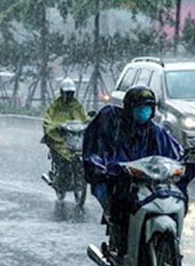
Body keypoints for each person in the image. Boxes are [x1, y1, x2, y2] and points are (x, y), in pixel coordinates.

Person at [83, 86, 184, 256]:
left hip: (151, 181)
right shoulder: (114, 126)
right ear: (129, 109)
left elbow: (174, 153)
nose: (143, 112)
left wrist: (181, 164)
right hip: (124, 180)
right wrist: (103, 167)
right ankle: (122, 246)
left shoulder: (155, 132)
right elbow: (96, 151)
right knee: (121, 207)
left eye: (147, 107)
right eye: (139, 107)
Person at [43, 78, 89, 169]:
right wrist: (54, 127)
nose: (69, 95)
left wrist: (90, 123)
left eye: (70, 93)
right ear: (62, 93)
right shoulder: (55, 106)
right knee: (59, 147)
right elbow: (48, 119)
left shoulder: (77, 106)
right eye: (67, 93)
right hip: (61, 136)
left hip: (75, 136)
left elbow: (84, 118)